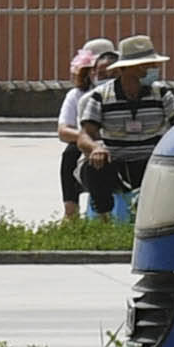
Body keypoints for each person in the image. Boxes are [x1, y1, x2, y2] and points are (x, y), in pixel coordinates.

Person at [70, 36, 174, 215]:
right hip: (115, 162)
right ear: (132, 68)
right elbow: (85, 135)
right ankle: (103, 218)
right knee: (93, 167)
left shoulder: (161, 93)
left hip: (151, 162)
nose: (154, 69)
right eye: (149, 65)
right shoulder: (100, 96)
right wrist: (95, 148)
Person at [50, 37, 116, 216]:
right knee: (71, 153)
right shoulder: (77, 95)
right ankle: (70, 210)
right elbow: (63, 130)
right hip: (88, 142)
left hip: (116, 140)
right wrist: (85, 137)